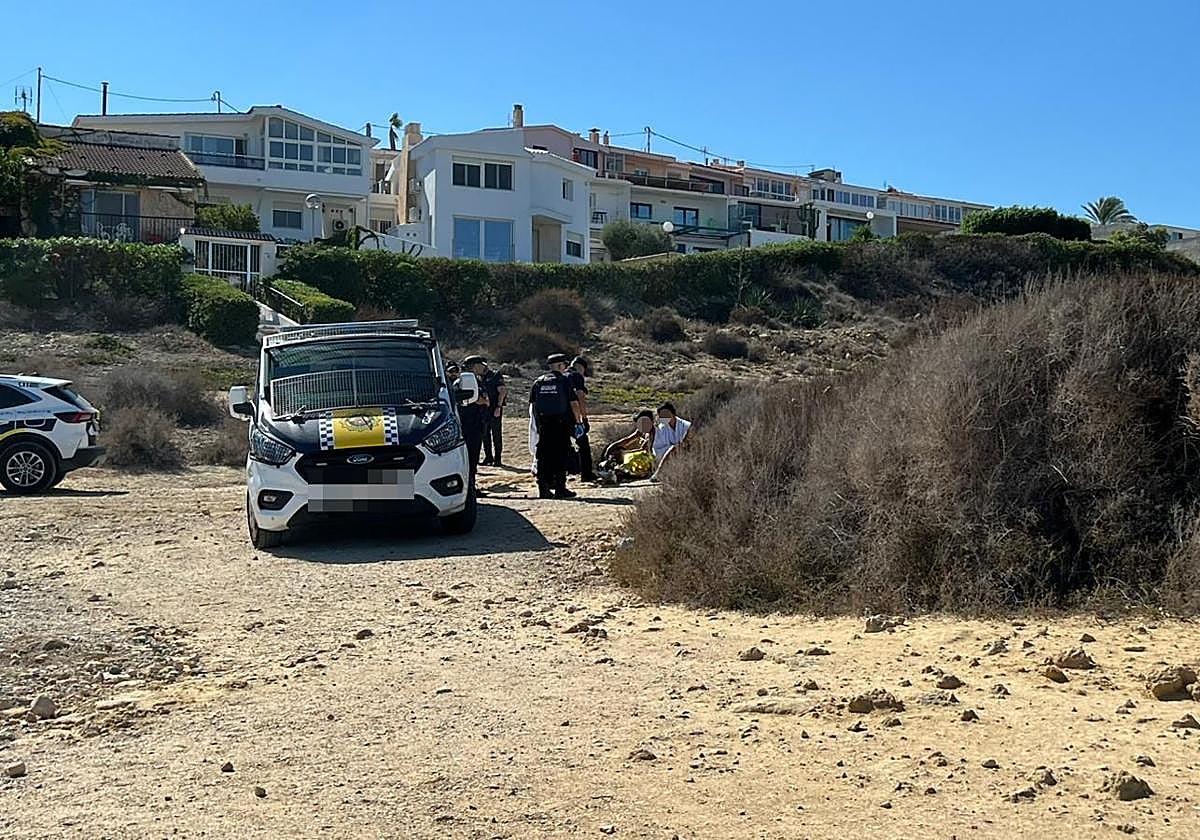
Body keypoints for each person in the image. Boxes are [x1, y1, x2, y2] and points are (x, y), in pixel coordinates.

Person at [529, 353, 582, 499]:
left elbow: (533, 405)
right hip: (561, 424)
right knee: (561, 455)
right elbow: (574, 404)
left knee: (543, 456)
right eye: (564, 365)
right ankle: (560, 488)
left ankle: (543, 488)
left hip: (544, 425)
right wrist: (578, 422)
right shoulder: (564, 381)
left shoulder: (538, 382)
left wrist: (538, 424)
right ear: (560, 366)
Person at [458, 355, 491, 497]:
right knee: (471, 457)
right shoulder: (466, 381)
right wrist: (483, 401)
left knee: (474, 457)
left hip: (476, 423)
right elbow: (475, 399)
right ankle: (470, 488)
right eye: (481, 364)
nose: (484, 367)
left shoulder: (475, 380)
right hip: (469, 425)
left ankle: (471, 486)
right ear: (474, 365)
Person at [599, 409, 656, 482]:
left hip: (649, 458)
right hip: (643, 454)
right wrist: (613, 446)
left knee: (630, 459)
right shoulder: (641, 431)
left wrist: (625, 452)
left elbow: (646, 449)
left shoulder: (653, 432)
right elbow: (628, 439)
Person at [566, 356, 597, 482]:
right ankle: (586, 474)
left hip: (558, 417)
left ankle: (566, 471)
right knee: (583, 445)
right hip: (573, 417)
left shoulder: (562, 375)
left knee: (564, 445)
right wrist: (584, 418)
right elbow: (580, 398)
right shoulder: (577, 376)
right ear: (582, 368)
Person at [651, 401, 691, 481]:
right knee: (672, 449)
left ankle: (658, 472)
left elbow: (686, 442)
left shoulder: (685, 425)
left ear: (673, 413)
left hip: (685, 452)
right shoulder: (661, 428)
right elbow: (658, 447)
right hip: (666, 455)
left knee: (675, 448)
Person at [481, 364, 508, 468]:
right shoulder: (478, 377)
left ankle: (498, 458)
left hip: (494, 409)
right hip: (483, 410)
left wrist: (499, 406)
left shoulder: (495, 375)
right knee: (485, 434)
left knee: (496, 434)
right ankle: (488, 457)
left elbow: (502, 391)